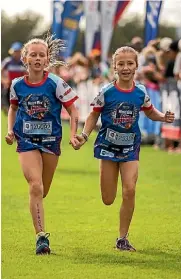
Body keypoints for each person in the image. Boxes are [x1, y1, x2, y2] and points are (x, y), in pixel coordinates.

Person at [72, 46, 175, 251]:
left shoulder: (140, 92)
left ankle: (122, 238)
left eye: (130, 63)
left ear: (137, 66)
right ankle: (118, 224)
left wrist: (163, 117)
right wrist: (84, 135)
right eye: (121, 64)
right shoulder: (107, 92)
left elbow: (150, 111)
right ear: (115, 67)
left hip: (131, 147)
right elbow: (93, 115)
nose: (126, 67)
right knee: (108, 199)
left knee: (129, 190)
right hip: (108, 147)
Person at [5, 34, 79, 255]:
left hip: (50, 141)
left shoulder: (56, 83)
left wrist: (74, 134)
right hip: (26, 140)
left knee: (42, 190)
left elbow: (73, 110)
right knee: (35, 186)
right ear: (25, 59)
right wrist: (10, 130)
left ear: (47, 59)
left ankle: (37, 210)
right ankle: (41, 237)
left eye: (42, 55)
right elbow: (13, 108)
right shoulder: (17, 85)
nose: (37, 58)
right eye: (33, 55)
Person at [1, 42, 26, 114]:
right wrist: (4, 80)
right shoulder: (8, 61)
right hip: (9, 86)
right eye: (15, 52)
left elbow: (26, 73)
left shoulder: (23, 62)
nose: (17, 54)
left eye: (18, 52)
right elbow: (1, 71)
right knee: (8, 100)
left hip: (20, 86)